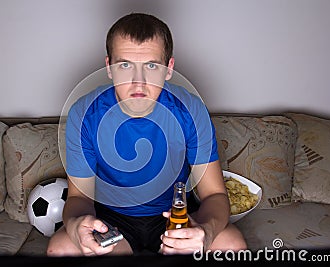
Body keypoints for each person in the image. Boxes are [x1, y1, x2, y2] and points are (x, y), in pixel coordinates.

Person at [47, 12, 247, 257]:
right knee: (61, 249)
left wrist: (205, 231)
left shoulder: (190, 110)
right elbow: (79, 198)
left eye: (152, 66)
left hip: (174, 215)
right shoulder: (85, 113)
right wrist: (76, 225)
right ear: (109, 67)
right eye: (125, 66)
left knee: (232, 246)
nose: (138, 82)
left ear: (169, 69)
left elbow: (215, 194)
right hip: (111, 219)